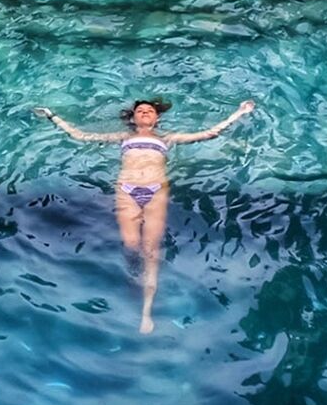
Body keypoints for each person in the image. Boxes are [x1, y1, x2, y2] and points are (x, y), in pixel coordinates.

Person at [32, 98, 256, 333]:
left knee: (150, 249)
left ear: (157, 118)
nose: (146, 112)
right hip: (126, 190)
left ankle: (146, 312)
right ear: (133, 118)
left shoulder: (166, 138)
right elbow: (80, 136)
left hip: (156, 190)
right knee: (131, 245)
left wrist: (239, 113)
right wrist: (51, 116)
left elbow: (208, 134)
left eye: (150, 110)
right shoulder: (124, 138)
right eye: (140, 111)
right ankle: (133, 281)